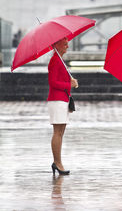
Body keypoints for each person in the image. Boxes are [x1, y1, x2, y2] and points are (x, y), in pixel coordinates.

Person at [47, 37, 78, 175]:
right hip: (57, 100)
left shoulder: (60, 60)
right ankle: (57, 162)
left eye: (67, 43)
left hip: (62, 100)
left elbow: (60, 80)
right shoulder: (54, 60)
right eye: (64, 43)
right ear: (56, 44)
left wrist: (70, 81)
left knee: (61, 132)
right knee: (57, 133)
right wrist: (68, 84)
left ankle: (57, 162)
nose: (67, 45)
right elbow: (53, 83)